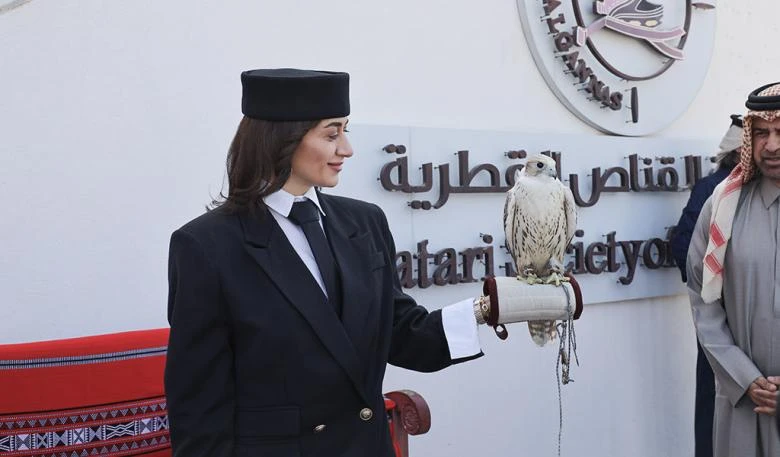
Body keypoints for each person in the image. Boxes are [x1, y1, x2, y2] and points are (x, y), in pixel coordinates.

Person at [163, 69, 486, 457]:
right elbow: (199, 408)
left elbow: (399, 332)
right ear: (282, 139)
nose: (347, 149)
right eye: (332, 134)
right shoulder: (206, 246)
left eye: (345, 131)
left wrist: (488, 310)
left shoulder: (365, 222)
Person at [686, 81, 780, 457]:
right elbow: (703, 298)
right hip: (745, 402)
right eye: (761, 133)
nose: (771, 145)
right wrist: (745, 377)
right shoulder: (723, 205)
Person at [670, 114, 742, 457]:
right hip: (722, 321)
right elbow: (685, 248)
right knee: (716, 406)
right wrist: (723, 290)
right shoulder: (714, 189)